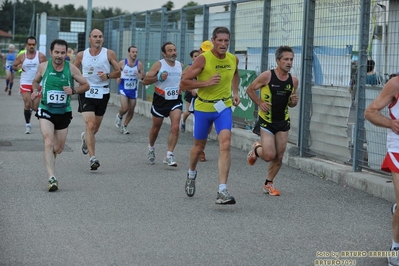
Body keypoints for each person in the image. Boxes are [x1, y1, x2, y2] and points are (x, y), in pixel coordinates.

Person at [180, 26, 240, 204]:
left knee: (226, 144)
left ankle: (222, 190)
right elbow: (184, 83)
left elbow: (236, 74)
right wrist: (205, 83)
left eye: (226, 41)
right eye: (220, 40)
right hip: (204, 108)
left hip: (223, 107)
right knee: (198, 148)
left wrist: (235, 92)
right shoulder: (203, 60)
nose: (223, 44)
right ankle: (191, 173)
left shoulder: (233, 59)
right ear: (213, 41)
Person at [31, 39, 89, 192]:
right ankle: (52, 178)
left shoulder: (72, 69)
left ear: (66, 53)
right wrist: (35, 91)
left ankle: (51, 157)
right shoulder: (43, 67)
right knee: (48, 142)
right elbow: (35, 81)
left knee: (59, 147)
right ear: (51, 52)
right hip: (46, 109)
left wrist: (74, 91)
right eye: (57, 52)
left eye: (63, 53)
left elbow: (86, 85)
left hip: (63, 111)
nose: (59, 55)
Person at [246, 46, 299, 196]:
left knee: (279, 156)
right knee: (269, 155)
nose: (289, 62)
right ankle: (256, 149)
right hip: (267, 121)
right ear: (278, 61)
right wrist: (259, 103)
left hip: (282, 121)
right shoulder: (267, 76)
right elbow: (250, 89)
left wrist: (294, 101)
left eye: (291, 59)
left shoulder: (293, 81)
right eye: (286, 59)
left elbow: (291, 103)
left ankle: (268, 183)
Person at [73, 29, 121, 170]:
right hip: (86, 91)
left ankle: (85, 138)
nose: (98, 39)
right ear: (89, 39)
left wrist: (108, 75)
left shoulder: (109, 53)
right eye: (95, 36)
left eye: (100, 36)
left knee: (95, 128)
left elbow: (119, 71)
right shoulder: (82, 55)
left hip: (103, 92)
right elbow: (72, 70)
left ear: (103, 39)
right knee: (90, 125)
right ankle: (93, 158)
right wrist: (80, 81)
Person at [364, 74, 399, 265]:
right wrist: (390, 123)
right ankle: (396, 247)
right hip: (398, 150)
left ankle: (397, 209)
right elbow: (370, 112)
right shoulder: (395, 84)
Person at [142, 41, 184, 167]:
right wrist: (158, 78)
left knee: (175, 127)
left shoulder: (180, 65)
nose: (173, 53)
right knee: (156, 129)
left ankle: (169, 155)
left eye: (174, 50)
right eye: (170, 50)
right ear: (164, 53)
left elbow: (185, 80)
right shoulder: (159, 64)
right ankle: (151, 147)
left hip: (175, 101)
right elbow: (145, 81)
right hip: (160, 101)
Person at [12, 36, 47, 134]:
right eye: (29, 44)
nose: (31, 46)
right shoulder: (22, 56)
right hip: (25, 82)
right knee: (27, 103)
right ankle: (28, 125)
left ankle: (31, 111)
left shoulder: (40, 56)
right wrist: (18, 67)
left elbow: (47, 67)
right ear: (26, 45)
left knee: (35, 107)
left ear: (35, 45)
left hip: (37, 83)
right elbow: (14, 66)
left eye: (33, 44)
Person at [115, 45, 145, 134]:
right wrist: (118, 78)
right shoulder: (122, 63)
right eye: (133, 52)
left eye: (136, 52)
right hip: (123, 88)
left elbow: (142, 76)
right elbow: (117, 73)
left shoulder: (139, 64)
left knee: (131, 109)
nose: (135, 54)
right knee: (125, 108)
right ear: (129, 53)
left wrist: (141, 76)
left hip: (133, 89)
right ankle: (120, 115)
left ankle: (125, 126)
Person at [180, 49, 200, 133]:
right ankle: (183, 122)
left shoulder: (203, 65)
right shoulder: (190, 66)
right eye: (195, 56)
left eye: (198, 55)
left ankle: (197, 131)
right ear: (192, 58)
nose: (197, 57)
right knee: (188, 111)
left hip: (198, 91)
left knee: (198, 112)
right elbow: (182, 76)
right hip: (190, 92)